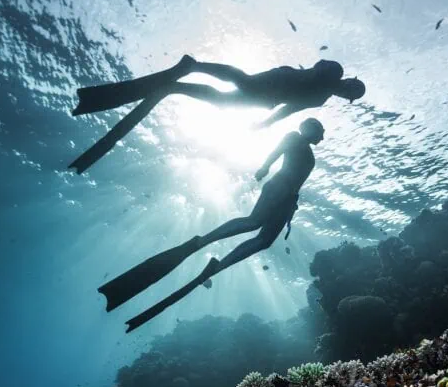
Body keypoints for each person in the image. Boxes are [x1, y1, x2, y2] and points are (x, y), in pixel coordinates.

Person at [99, 117, 326, 332]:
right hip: (279, 187)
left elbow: (298, 178)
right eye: (321, 131)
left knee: (264, 241)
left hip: (288, 199)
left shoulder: (310, 155)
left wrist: (290, 206)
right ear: (310, 127)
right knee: (253, 222)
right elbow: (276, 152)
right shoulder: (294, 136)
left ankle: (220, 265)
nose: (322, 137)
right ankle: (203, 241)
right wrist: (265, 167)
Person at [68, 56, 363, 173]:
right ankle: (194, 66)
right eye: (350, 91)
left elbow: (291, 109)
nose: (345, 94)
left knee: (224, 100)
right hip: (275, 83)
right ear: (349, 83)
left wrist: (263, 124)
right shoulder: (332, 72)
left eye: (349, 96)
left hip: (269, 100)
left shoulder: (322, 97)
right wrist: (321, 77)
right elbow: (315, 68)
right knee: (243, 81)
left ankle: (179, 86)